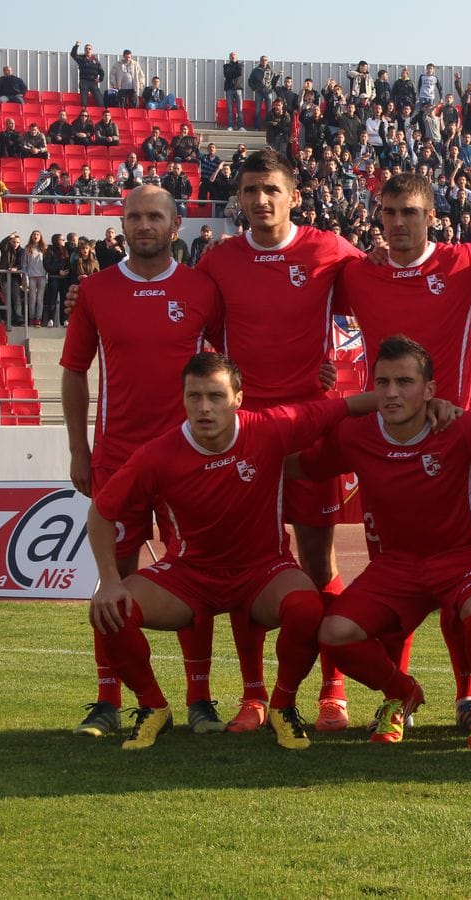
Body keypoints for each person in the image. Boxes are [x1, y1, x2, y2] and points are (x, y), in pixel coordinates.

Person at [87, 351, 378, 750]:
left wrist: (415, 402)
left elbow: (346, 406)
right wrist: (108, 579)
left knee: (307, 606)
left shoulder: (271, 429)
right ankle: (153, 707)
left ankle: (282, 706)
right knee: (110, 610)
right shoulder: (158, 454)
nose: (204, 407)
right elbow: (101, 513)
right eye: (194, 397)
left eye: (215, 396)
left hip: (263, 572)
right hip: (189, 575)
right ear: (184, 399)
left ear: (238, 398)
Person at [194, 149, 366, 733]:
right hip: (246, 438)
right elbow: (185, 323)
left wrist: (341, 368)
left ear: (294, 195)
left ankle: (333, 692)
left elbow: (393, 287)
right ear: (237, 199)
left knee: (319, 561)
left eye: (271, 189)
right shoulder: (219, 262)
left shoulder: (330, 251)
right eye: (249, 190)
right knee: (249, 564)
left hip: (312, 431)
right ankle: (254, 695)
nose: (260, 200)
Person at [60, 186, 226, 737]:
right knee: (114, 579)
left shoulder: (203, 289)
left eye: (155, 216)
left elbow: (230, 372)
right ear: (122, 224)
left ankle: (200, 698)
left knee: (194, 575)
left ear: (175, 223)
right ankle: (109, 700)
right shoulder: (95, 289)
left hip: (189, 459)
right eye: (134, 216)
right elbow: (74, 370)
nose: (144, 225)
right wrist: (80, 449)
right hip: (117, 458)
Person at [295, 336, 471, 750]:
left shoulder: (461, 425)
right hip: (397, 565)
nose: (392, 393)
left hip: (463, 556)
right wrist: (238, 452)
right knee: (335, 632)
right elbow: (303, 464)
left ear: (430, 390)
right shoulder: (356, 435)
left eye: (405, 382)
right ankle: (400, 693)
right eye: (383, 382)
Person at [70, 41, 105, 107]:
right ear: (84, 50)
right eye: (86, 49)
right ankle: (84, 115)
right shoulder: (81, 59)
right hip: (84, 82)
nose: (88, 50)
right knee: (84, 102)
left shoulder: (96, 60)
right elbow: (73, 54)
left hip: (93, 82)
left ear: (92, 50)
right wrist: (76, 46)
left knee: (100, 102)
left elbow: (101, 72)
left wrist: (100, 79)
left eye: (89, 49)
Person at [248, 55, 276, 130]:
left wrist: (272, 89)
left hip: (268, 92)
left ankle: (269, 127)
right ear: (260, 61)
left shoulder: (271, 70)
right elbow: (250, 81)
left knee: (269, 110)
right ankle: (257, 127)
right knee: (257, 110)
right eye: (263, 60)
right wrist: (255, 89)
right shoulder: (255, 70)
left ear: (268, 61)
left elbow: (274, 81)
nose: (264, 61)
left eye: (266, 60)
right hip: (259, 92)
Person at [224, 52, 245, 131]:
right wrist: (233, 72)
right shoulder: (226, 66)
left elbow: (239, 72)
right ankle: (230, 126)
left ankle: (241, 126)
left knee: (240, 109)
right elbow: (226, 74)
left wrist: (231, 72)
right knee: (230, 109)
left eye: (234, 56)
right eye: (231, 56)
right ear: (229, 57)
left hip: (238, 89)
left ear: (237, 57)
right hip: (229, 89)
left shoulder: (240, 65)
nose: (233, 57)